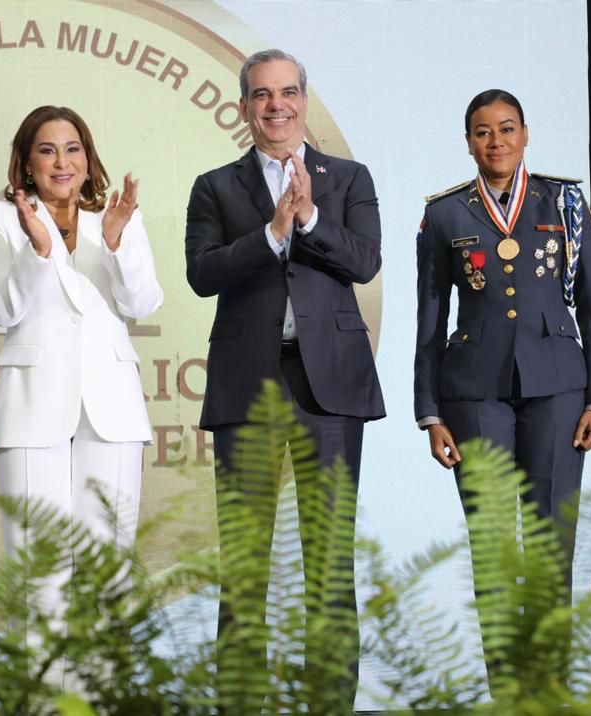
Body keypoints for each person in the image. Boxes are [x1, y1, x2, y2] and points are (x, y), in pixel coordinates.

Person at [184, 49, 384, 700]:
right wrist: (271, 234)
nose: (277, 106)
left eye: (289, 93)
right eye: (263, 95)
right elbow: (202, 274)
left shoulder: (348, 179)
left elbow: (364, 262)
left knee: (329, 563)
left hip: (329, 386)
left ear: (305, 99)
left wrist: (310, 219)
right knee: (245, 567)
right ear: (244, 107)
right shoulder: (215, 186)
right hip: (248, 384)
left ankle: (329, 704)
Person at [0, 105, 163, 645]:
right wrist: (36, 250)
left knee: (108, 573)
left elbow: (142, 302)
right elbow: (0, 310)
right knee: (40, 576)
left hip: (111, 406)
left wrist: (118, 241)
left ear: (88, 158)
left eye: (73, 148)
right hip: (34, 405)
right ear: (27, 163)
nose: (63, 161)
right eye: (48, 150)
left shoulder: (118, 218)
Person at [414, 89, 591, 584]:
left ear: (525, 135)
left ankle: (548, 665)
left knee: (552, 544)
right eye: (483, 132)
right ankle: (503, 666)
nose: (496, 141)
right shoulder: (445, 213)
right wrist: (429, 412)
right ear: (468, 143)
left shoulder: (565, 201)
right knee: (493, 548)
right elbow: (430, 318)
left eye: (507, 129)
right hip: (474, 390)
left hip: (558, 386)